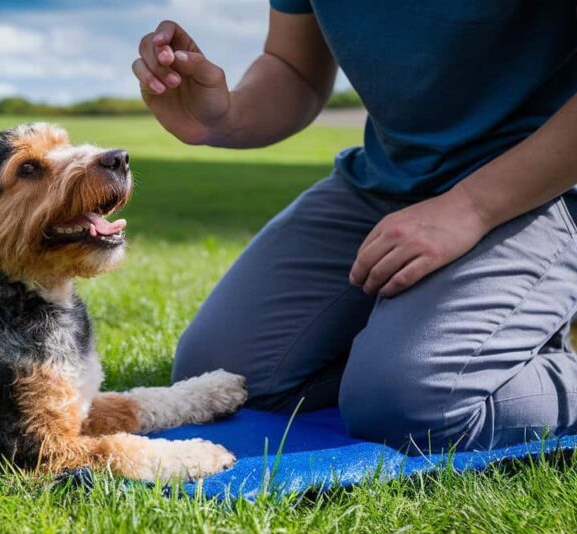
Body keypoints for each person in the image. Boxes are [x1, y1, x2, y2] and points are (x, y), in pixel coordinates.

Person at [133, 3, 577, 452]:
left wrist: (471, 208)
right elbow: (293, 68)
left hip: (542, 188)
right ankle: (428, 349)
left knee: (414, 408)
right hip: (387, 180)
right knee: (223, 374)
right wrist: (223, 117)